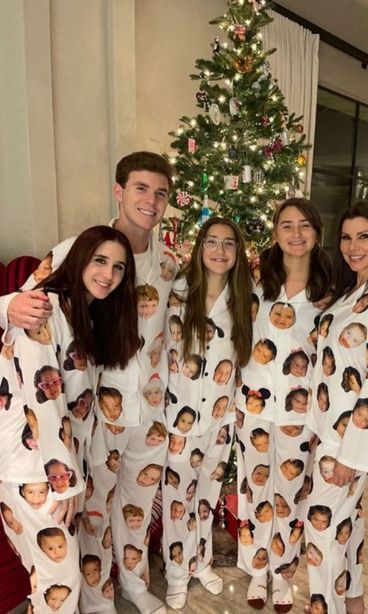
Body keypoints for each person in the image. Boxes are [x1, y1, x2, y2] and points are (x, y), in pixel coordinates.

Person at [2, 151, 174, 614]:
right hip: (96, 419)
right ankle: (98, 603)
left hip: (149, 413)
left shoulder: (170, 265)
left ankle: (135, 584)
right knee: (93, 516)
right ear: (119, 191)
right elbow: (26, 306)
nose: (150, 201)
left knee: (138, 508)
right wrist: (4, 306)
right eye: (140, 188)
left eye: (160, 193)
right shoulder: (78, 249)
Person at [0, 225, 138, 614]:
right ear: (77, 260)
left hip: (50, 467)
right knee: (60, 583)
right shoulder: (44, 309)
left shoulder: (81, 315)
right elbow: (43, 403)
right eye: (99, 261)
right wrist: (65, 485)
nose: (108, 274)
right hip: (32, 472)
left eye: (118, 267)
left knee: (49, 583)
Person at [304, 201, 368, 614]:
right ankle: (354, 602)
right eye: (346, 237)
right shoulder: (350, 292)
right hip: (329, 431)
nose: (352, 246)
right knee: (346, 525)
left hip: (347, 441)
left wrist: (352, 454)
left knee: (319, 531)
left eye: (364, 236)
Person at [236, 198, 332, 613]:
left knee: (292, 494)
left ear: (317, 233)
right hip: (254, 406)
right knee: (255, 488)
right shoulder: (255, 281)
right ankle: (257, 569)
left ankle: (283, 573)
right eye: (287, 225)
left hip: (300, 411)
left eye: (304, 225)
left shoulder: (330, 290)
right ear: (275, 232)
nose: (296, 233)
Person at [162, 217, 252, 610]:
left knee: (207, 497)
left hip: (220, 420)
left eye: (228, 243)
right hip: (178, 419)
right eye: (211, 242)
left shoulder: (244, 299)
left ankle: (201, 564)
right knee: (177, 501)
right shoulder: (176, 292)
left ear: (237, 252)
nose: (219, 250)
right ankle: (176, 573)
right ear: (200, 247)